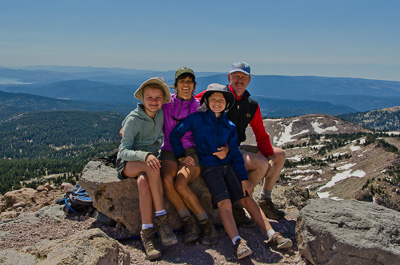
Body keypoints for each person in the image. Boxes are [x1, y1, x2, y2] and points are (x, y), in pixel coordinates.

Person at [171, 84, 293, 259]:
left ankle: (272, 234)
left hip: (229, 166)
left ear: (226, 103)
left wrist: (244, 179)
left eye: (221, 100)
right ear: (206, 101)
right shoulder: (196, 119)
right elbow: (176, 134)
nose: (216, 103)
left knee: (247, 198)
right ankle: (237, 241)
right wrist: (180, 155)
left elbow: (235, 154)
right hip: (210, 168)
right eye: (212, 99)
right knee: (225, 203)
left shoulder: (230, 125)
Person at [195, 61, 286, 221]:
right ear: (229, 77)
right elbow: (191, 101)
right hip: (218, 152)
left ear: (249, 80)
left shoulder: (251, 105)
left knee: (279, 155)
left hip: (235, 148)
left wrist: (270, 156)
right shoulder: (218, 94)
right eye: (236, 76)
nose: (239, 80)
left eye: (243, 77)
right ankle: (238, 203)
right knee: (260, 163)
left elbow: (261, 134)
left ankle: (265, 199)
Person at [115, 77, 177, 260]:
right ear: (142, 98)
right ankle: (162, 219)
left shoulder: (160, 114)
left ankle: (147, 232)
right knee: (153, 168)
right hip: (129, 162)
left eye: (158, 97)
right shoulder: (134, 120)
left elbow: (183, 97)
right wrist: (145, 156)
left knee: (143, 182)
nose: (154, 101)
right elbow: (123, 151)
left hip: (147, 163)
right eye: (149, 97)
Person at [160, 67, 217, 245]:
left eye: (189, 81)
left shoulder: (200, 107)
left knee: (181, 183)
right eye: (182, 81)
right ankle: (188, 221)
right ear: (176, 84)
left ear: (194, 85)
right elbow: (148, 109)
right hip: (169, 150)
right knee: (167, 181)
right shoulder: (166, 102)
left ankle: (206, 223)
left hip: (191, 151)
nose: (186, 84)